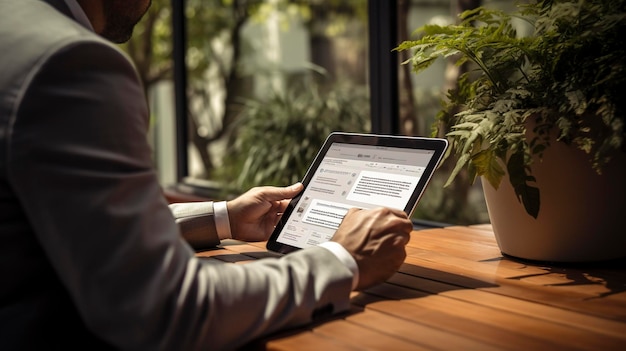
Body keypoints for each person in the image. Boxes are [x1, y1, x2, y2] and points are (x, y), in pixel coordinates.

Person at [0, 0, 413, 349]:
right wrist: (343, 260)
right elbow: (164, 310)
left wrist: (225, 217)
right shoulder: (68, 60)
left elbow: (75, 229)